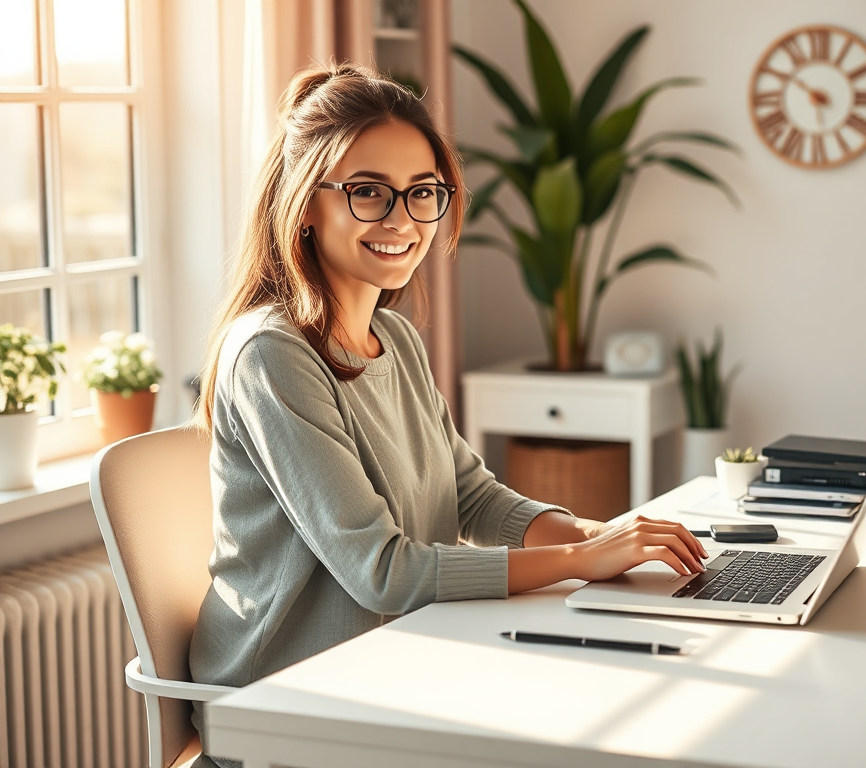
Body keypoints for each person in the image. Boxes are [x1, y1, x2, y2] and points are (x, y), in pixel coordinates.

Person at [188, 61, 707, 766]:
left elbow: (470, 495)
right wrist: (581, 559)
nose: (402, 220)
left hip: (397, 657)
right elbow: (383, 572)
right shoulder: (272, 356)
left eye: (423, 192)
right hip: (287, 696)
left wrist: (597, 533)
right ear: (306, 203)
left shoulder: (393, 337)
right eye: (368, 192)